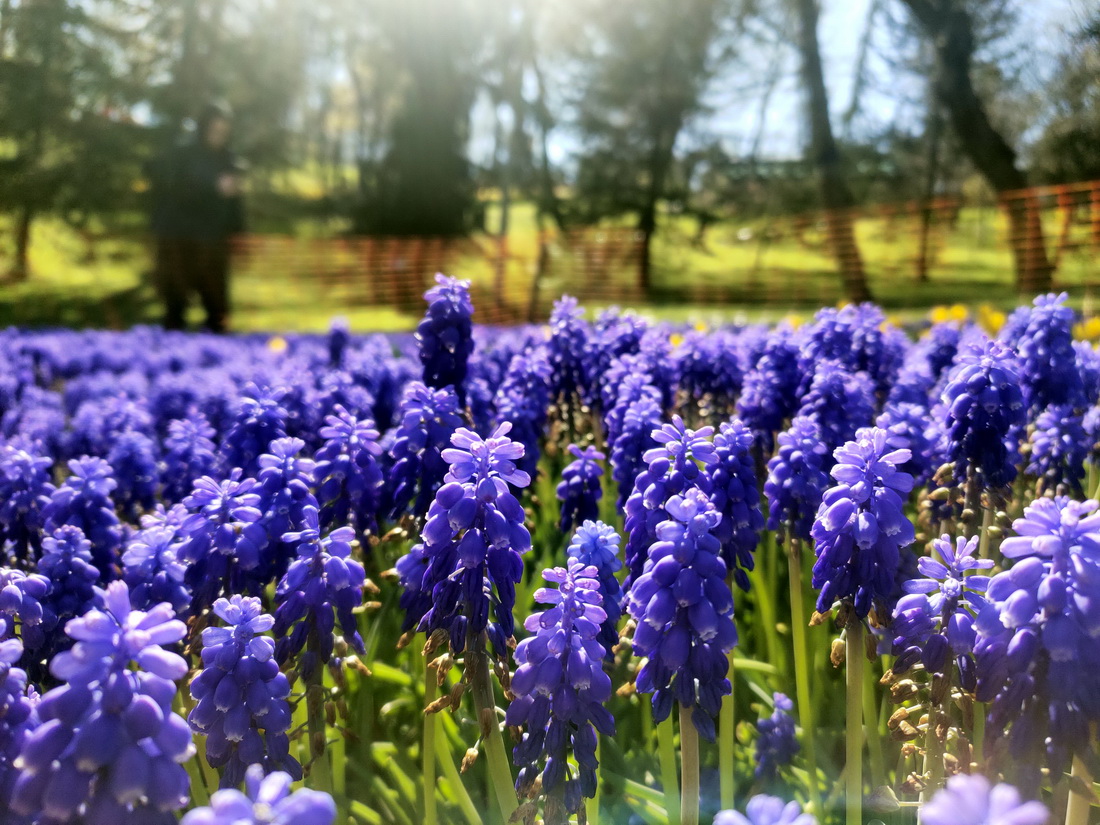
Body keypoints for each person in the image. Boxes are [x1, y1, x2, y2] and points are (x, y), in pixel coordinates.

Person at [149, 102, 245, 332]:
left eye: (224, 131)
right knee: (175, 305)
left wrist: (238, 229)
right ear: (204, 128)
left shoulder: (229, 159)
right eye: (214, 130)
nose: (219, 136)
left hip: (213, 241)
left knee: (217, 308)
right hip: (180, 238)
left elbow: (235, 202)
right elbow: (174, 187)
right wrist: (213, 186)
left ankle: (217, 358)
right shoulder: (183, 154)